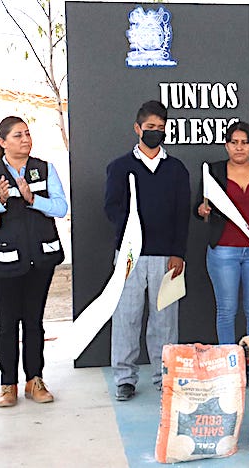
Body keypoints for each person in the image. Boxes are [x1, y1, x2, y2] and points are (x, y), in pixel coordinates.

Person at [0, 116, 67, 407]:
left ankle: (34, 380)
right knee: (7, 321)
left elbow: (61, 207)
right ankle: (7, 384)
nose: (25, 139)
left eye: (27, 134)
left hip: (40, 257)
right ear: (2, 142)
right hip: (3, 260)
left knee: (34, 320)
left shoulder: (44, 169)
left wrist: (32, 198)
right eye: (17, 135)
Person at [105, 100, 190, 401]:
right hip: (130, 255)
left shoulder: (176, 169)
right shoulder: (120, 167)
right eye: (150, 127)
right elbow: (112, 207)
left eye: (160, 128)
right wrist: (130, 232)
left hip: (166, 255)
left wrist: (178, 252)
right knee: (126, 316)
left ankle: (164, 375)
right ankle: (124, 378)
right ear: (137, 128)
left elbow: (182, 214)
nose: (155, 132)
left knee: (165, 321)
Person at [195, 121, 249, 344]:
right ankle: (229, 362)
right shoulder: (213, 170)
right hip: (224, 250)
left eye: (245, 142)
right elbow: (199, 207)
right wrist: (201, 209)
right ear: (226, 145)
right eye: (234, 142)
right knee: (226, 309)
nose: (239, 147)